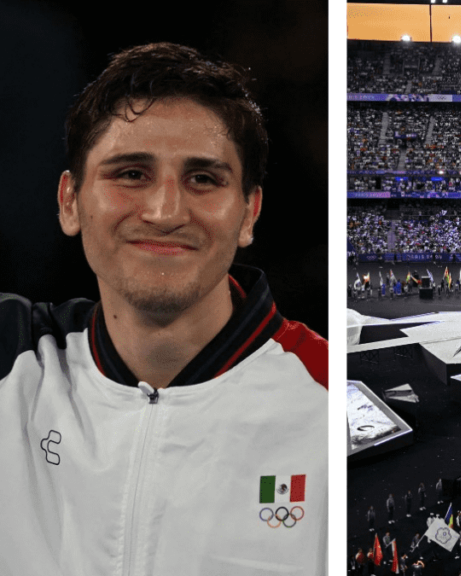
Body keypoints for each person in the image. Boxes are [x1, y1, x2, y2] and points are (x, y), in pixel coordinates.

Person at [0, 42, 327, 574]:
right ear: (69, 202)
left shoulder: (327, 402)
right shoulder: (10, 357)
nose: (164, 211)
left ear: (249, 214)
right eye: (131, 173)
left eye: (203, 179)